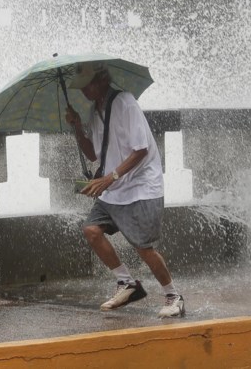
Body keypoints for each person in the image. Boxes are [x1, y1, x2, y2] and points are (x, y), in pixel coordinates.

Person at [65, 61, 185, 318]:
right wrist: (76, 125)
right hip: (115, 188)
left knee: (143, 247)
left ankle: (173, 295)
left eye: (86, 86)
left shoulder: (125, 102)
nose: (83, 91)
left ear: (101, 81)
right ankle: (127, 283)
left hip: (141, 186)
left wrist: (110, 178)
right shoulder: (93, 111)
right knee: (91, 231)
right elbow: (93, 154)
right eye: (81, 87)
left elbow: (140, 149)